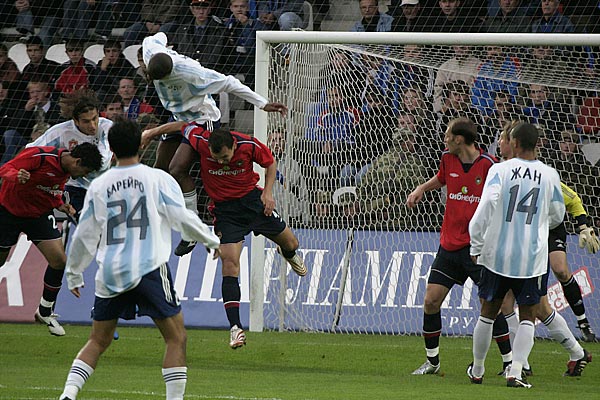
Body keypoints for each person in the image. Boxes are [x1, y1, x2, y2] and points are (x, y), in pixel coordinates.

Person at [58, 119, 220, 400]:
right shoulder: (156, 179)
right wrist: (209, 239)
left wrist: (74, 273)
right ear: (142, 145)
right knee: (176, 337)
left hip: (111, 271)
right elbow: (179, 215)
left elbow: (85, 233)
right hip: (149, 267)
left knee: (98, 340)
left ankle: (68, 394)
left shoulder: (99, 185)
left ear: (111, 148)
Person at [140, 124, 307, 349]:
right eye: (216, 158)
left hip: (253, 204)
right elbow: (181, 126)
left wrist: (268, 193)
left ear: (234, 146)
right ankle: (235, 328)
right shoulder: (200, 139)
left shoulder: (248, 144)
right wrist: (151, 133)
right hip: (226, 213)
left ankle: (287, 252)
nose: (221, 162)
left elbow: (270, 163)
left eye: (225, 158)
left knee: (292, 243)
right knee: (230, 264)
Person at [142, 31, 287, 256]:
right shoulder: (151, 49)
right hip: (178, 117)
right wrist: (166, 40)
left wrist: (262, 103)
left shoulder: (193, 73)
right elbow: (157, 35)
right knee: (160, 170)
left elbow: (230, 83)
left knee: (178, 168)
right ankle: (162, 216)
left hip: (202, 118)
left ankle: (192, 229)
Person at [406, 117, 512, 375]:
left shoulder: (489, 165)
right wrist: (422, 188)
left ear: (460, 139)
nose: (444, 140)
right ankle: (433, 362)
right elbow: (442, 178)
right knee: (431, 300)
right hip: (450, 246)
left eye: (448, 136)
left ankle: (509, 363)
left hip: (478, 249)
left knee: (490, 304)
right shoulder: (447, 158)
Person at [467, 121, 566, 388]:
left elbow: (487, 204)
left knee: (487, 313)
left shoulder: (500, 170)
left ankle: (477, 369)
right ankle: (516, 371)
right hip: (531, 259)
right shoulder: (549, 174)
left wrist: (476, 244)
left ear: (516, 143)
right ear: (536, 144)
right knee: (527, 317)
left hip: (497, 255)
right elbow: (558, 215)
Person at [495, 122, 596, 374]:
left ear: (514, 143)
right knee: (515, 304)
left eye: (503, 139)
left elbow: (566, 203)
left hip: (534, 244)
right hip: (517, 243)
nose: (499, 143)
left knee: (532, 306)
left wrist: (583, 226)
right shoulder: (502, 169)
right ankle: (532, 361)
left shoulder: (539, 174)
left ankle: (520, 364)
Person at [0, 143, 102, 336]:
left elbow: (51, 191)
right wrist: (16, 175)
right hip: (9, 211)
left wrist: (60, 205)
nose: (84, 176)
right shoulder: (40, 156)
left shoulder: (66, 172)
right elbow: (5, 168)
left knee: (59, 261)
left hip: (38, 215)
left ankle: (45, 311)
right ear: (78, 161)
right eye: (85, 171)